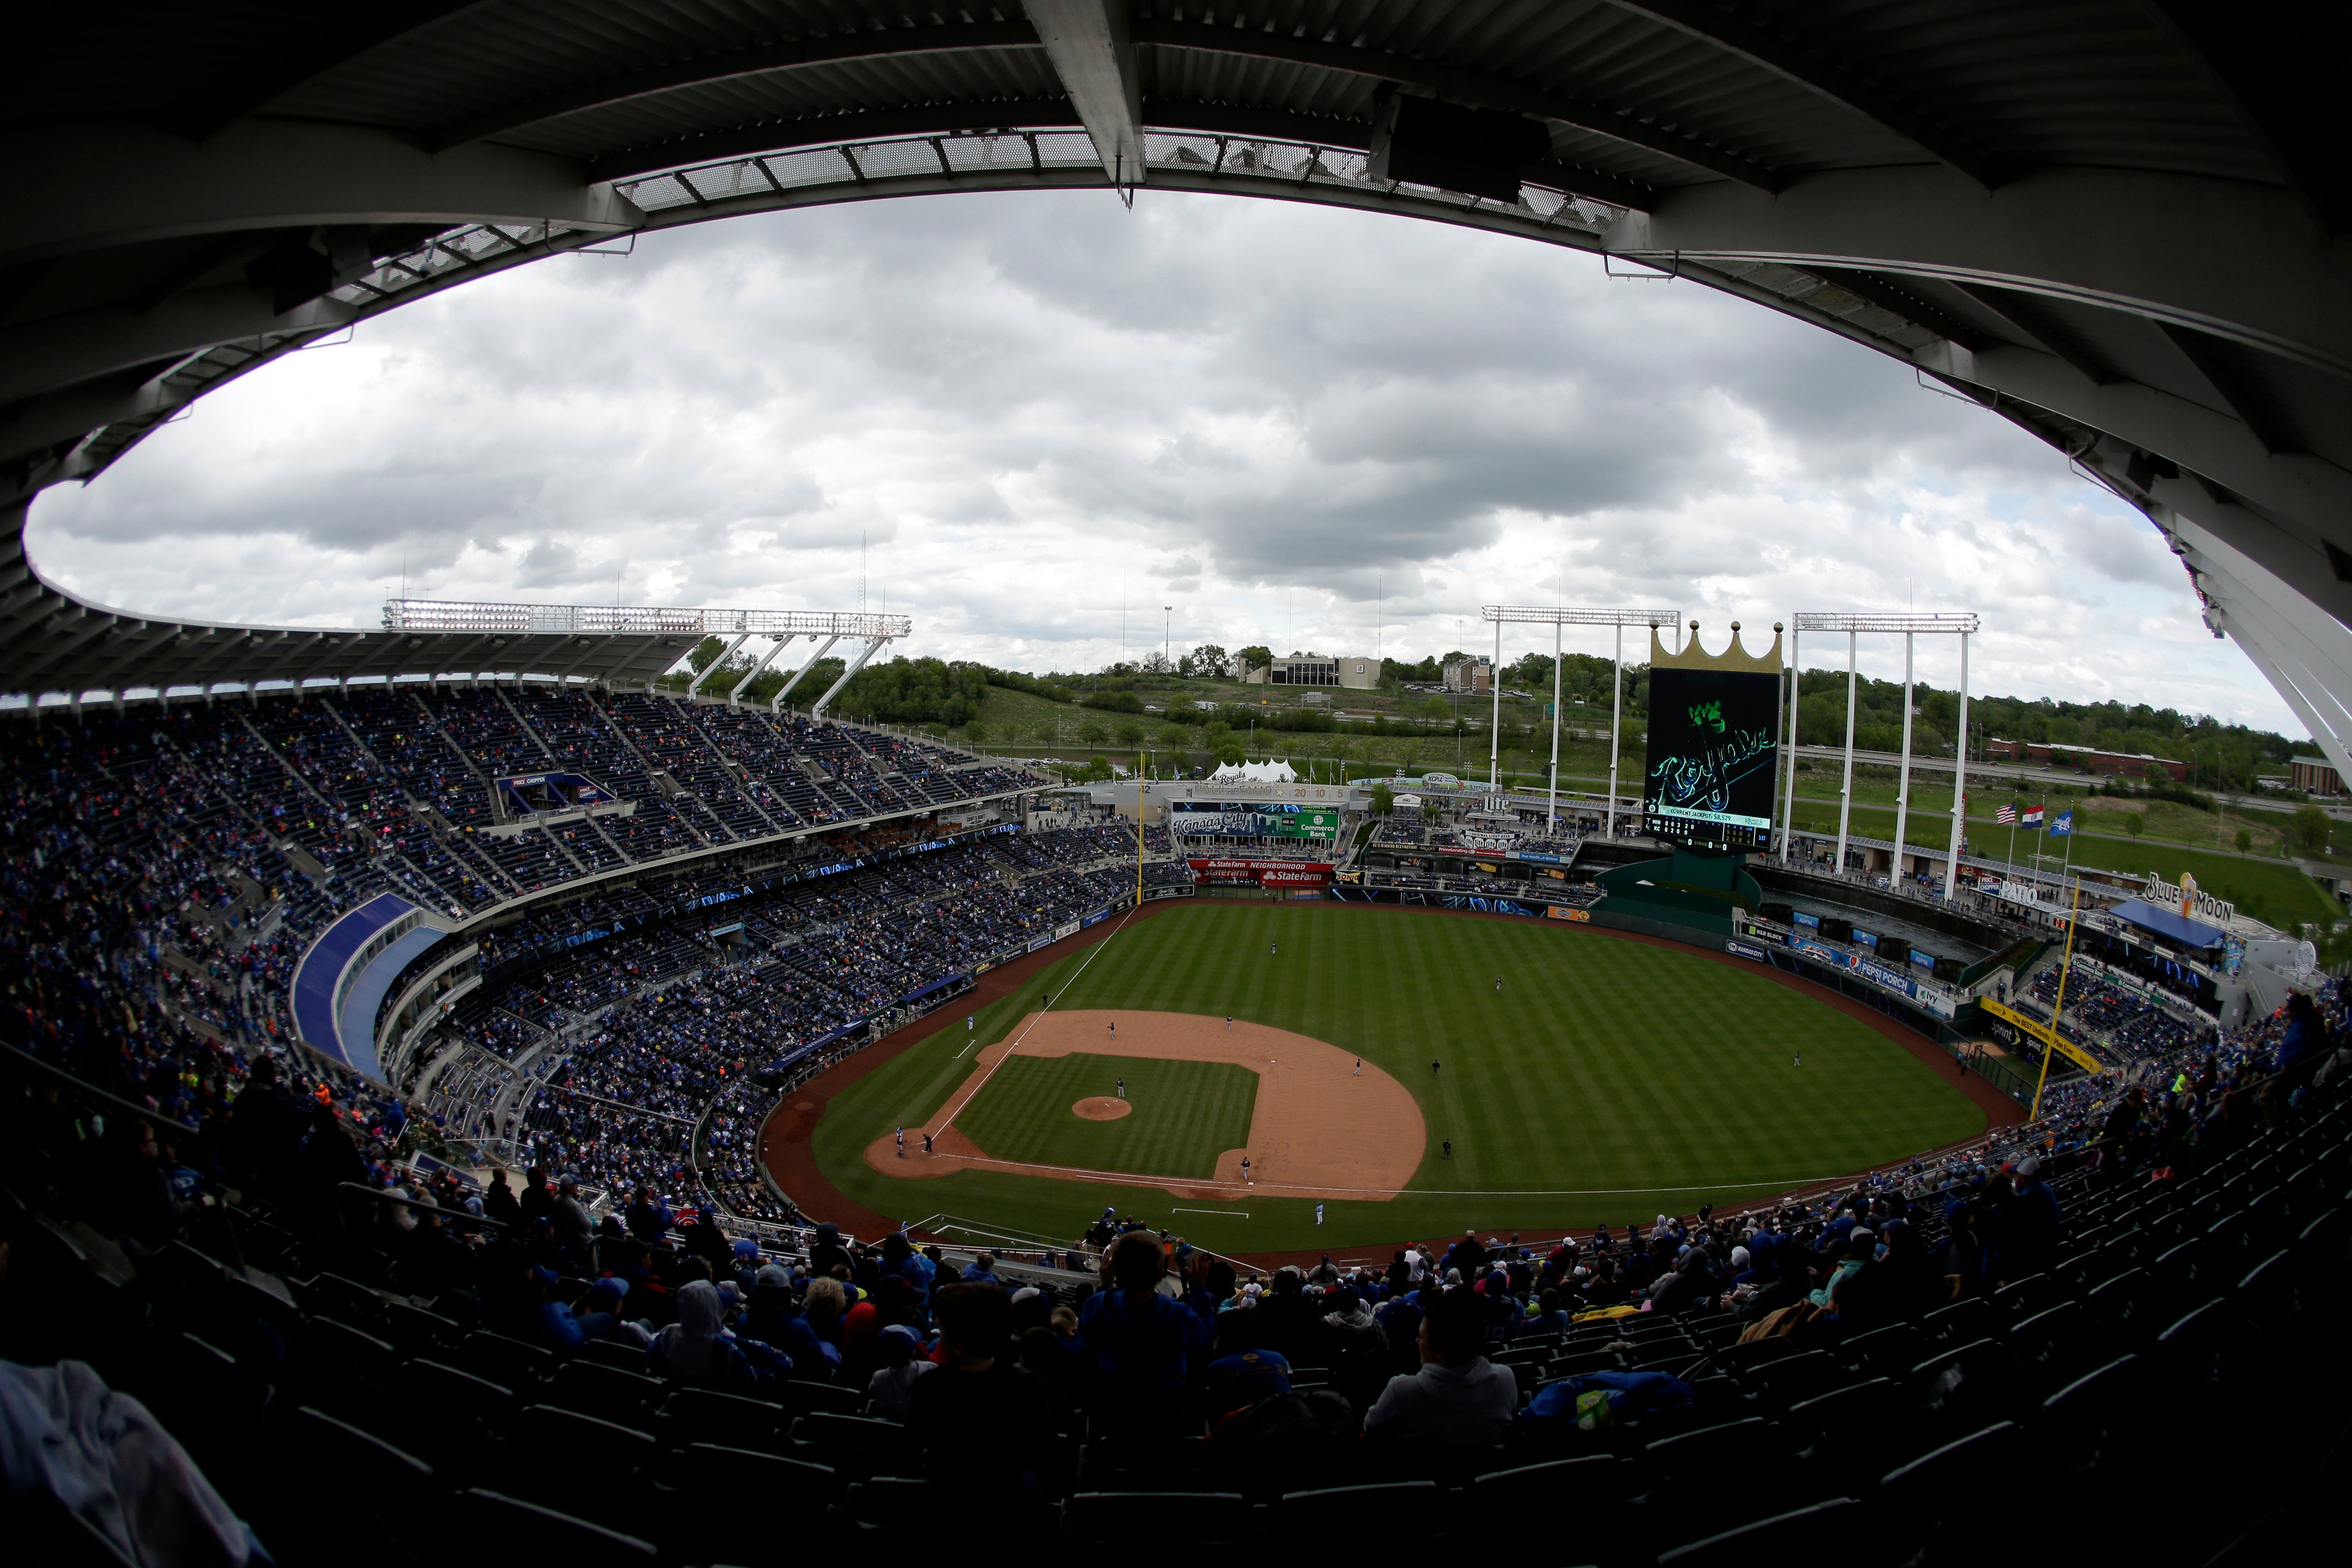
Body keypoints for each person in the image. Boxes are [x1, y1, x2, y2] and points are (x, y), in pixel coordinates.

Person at [907, 1283, 1061, 1511]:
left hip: (946, 1498)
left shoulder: (931, 1384)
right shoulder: (1026, 1385)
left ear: (958, 1346)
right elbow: (1046, 1451)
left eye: (942, 1330)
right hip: (1010, 1500)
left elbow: (915, 1443)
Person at [1071, 1232, 1212, 1436]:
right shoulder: (1177, 1313)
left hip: (1113, 1414)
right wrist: (1198, 1289)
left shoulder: (1097, 1305)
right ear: (1160, 1273)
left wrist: (1104, 1285)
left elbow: (1088, 1333)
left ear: (1116, 1272)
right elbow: (1205, 1335)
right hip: (1167, 1414)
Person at [1362, 1286, 1517, 1449]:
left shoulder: (1402, 1390)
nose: (1417, 1341)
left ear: (1441, 1350)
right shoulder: (1505, 1378)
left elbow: (1372, 1428)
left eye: (1421, 1336)